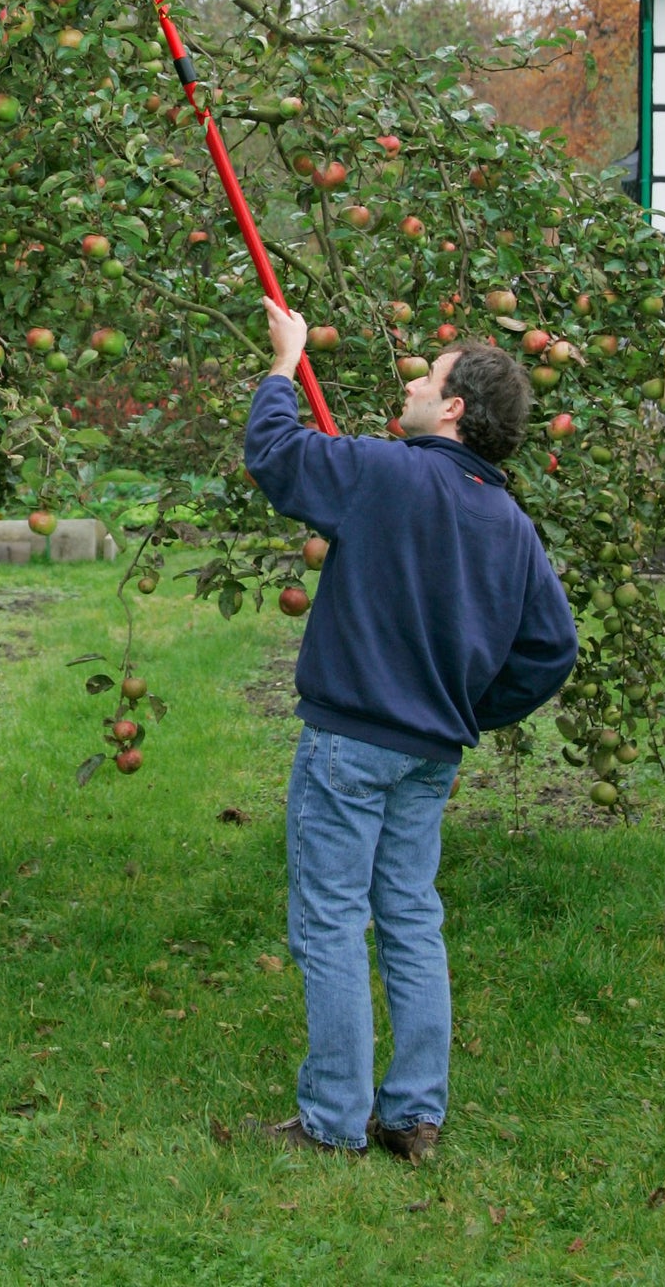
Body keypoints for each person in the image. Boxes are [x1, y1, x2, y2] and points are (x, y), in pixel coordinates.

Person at [240, 300, 578, 1164]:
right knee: (408, 920)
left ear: (454, 409)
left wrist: (284, 361)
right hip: (430, 753)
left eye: (427, 379)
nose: (414, 386)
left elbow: (276, 457)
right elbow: (550, 650)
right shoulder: (511, 528)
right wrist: (465, 704)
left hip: (351, 742)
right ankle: (413, 1117)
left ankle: (331, 1120)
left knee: (328, 920)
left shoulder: (385, 475)